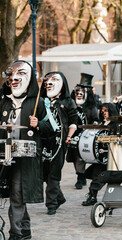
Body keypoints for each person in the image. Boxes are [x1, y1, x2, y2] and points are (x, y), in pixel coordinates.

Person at [0, 60, 53, 240]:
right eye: (11, 75)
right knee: (16, 193)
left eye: (20, 74)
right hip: (5, 153)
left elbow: (53, 129)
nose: (14, 78)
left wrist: (39, 125)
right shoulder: (3, 101)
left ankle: (16, 233)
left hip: (26, 156)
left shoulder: (39, 102)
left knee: (17, 193)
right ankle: (25, 229)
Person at [40, 71, 78, 215]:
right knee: (44, 172)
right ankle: (59, 197)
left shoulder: (68, 102)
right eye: (47, 80)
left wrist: (68, 137)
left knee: (54, 173)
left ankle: (51, 204)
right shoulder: (42, 101)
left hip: (59, 141)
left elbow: (74, 122)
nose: (49, 83)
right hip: (43, 141)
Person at [82, 103, 119, 206]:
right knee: (96, 173)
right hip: (101, 156)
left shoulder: (116, 125)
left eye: (106, 111)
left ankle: (93, 195)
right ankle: (92, 195)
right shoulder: (102, 123)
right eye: (102, 111)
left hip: (111, 156)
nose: (104, 113)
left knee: (99, 176)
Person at [68, 73, 99, 189]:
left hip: (87, 135)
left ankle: (82, 175)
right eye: (78, 91)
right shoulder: (71, 105)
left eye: (82, 92)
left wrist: (93, 126)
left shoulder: (91, 107)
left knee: (83, 155)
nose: (79, 94)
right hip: (74, 134)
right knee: (76, 156)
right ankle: (80, 176)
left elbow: (96, 119)